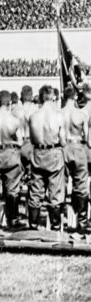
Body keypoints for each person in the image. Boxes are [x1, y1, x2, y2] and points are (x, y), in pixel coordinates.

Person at [28, 85, 66, 230]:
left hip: (38, 152)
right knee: (55, 192)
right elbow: (62, 141)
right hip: (54, 152)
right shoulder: (58, 116)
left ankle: (33, 226)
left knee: (35, 192)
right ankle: (55, 227)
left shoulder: (33, 116)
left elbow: (32, 139)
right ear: (53, 97)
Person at [0, 91, 24, 230]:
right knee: (12, 189)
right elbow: (20, 142)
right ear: (9, 103)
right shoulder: (14, 120)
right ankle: (13, 219)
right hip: (10, 155)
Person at [61, 86, 89, 233]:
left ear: (63, 97)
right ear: (75, 97)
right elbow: (86, 136)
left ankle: (62, 220)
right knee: (81, 185)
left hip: (64, 147)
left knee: (61, 183)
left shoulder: (59, 114)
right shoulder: (81, 114)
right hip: (78, 146)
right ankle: (82, 221)